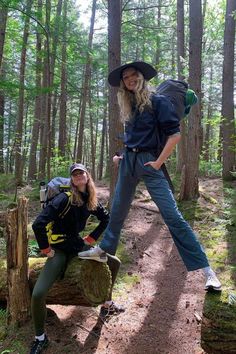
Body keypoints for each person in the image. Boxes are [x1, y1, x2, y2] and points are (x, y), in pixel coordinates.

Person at [78, 61, 222, 293]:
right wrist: (120, 156)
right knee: (117, 210)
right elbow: (133, 138)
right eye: (126, 78)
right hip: (129, 162)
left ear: (142, 77)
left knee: (172, 216)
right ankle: (104, 251)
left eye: (134, 75)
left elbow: (174, 135)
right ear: (123, 84)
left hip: (149, 164)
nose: (130, 79)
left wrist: (158, 162)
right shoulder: (131, 106)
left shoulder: (159, 101)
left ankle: (207, 271)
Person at [29, 163, 124, 354]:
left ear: (87, 177)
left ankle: (106, 302)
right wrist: (46, 249)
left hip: (78, 245)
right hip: (60, 249)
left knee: (114, 262)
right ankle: (40, 337)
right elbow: (38, 224)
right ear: (72, 179)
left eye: (82, 173)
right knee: (38, 294)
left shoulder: (90, 198)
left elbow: (105, 218)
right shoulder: (64, 199)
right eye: (75, 174)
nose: (79, 176)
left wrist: (92, 238)